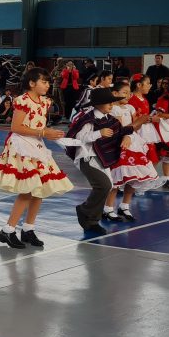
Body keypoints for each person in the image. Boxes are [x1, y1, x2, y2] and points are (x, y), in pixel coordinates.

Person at [0, 67, 73, 249]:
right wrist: (44, 132)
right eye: (44, 82)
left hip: (36, 145)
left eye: (48, 82)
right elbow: (16, 127)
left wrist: (48, 134)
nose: (48, 85)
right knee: (28, 189)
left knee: (41, 188)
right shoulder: (23, 100)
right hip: (22, 146)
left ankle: (28, 229)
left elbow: (40, 126)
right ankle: (8, 230)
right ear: (32, 83)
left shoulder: (45, 102)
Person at [65, 88, 131, 234]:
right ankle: (85, 211)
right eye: (108, 102)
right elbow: (78, 138)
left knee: (106, 186)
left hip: (103, 158)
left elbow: (122, 131)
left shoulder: (110, 119)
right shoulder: (88, 119)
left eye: (112, 102)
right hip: (87, 157)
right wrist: (98, 133)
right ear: (98, 104)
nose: (111, 105)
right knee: (104, 185)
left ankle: (92, 220)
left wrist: (127, 137)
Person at [104, 81, 161, 222]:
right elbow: (117, 127)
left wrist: (145, 120)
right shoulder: (112, 109)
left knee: (134, 176)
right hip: (119, 142)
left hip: (133, 142)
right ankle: (108, 208)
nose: (128, 95)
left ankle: (124, 206)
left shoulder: (129, 107)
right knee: (118, 176)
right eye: (124, 92)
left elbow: (135, 124)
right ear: (114, 94)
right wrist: (127, 134)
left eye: (129, 93)